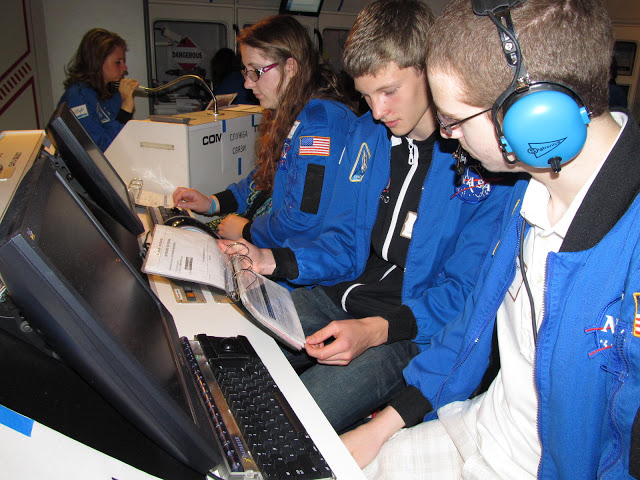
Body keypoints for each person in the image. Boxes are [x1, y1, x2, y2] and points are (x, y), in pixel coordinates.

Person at [341, 1, 640, 479]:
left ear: (531, 118)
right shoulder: (526, 195)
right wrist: (382, 429)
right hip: (479, 431)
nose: (446, 134)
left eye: (455, 119)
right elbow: (467, 329)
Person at [220, 0, 513, 432]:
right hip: (336, 296)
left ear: (429, 71)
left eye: (389, 91)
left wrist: (375, 330)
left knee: (289, 421)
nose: (376, 111)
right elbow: (342, 242)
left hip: (404, 330)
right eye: (366, 96)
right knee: (229, 352)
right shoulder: (367, 137)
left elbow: (462, 294)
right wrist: (271, 261)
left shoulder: (484, 167)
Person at [173, 16, 356, 260]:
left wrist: (247, 230)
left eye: (256, 72)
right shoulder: (290, 112)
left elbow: (305, 217)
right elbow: (264, 179)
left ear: (290, 68)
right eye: (246, 72)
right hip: (281, 244)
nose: (248, 84)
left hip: (302, 260)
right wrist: (211, 203)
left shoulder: (320, 127)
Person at [58, 28, 139, 151]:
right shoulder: (78, 97)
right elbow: (99, 151)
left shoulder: (112, 92)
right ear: (98, 62)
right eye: (118, 62)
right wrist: (126, 109)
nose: (124, 68)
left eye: (124, 61)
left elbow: (128, 137)